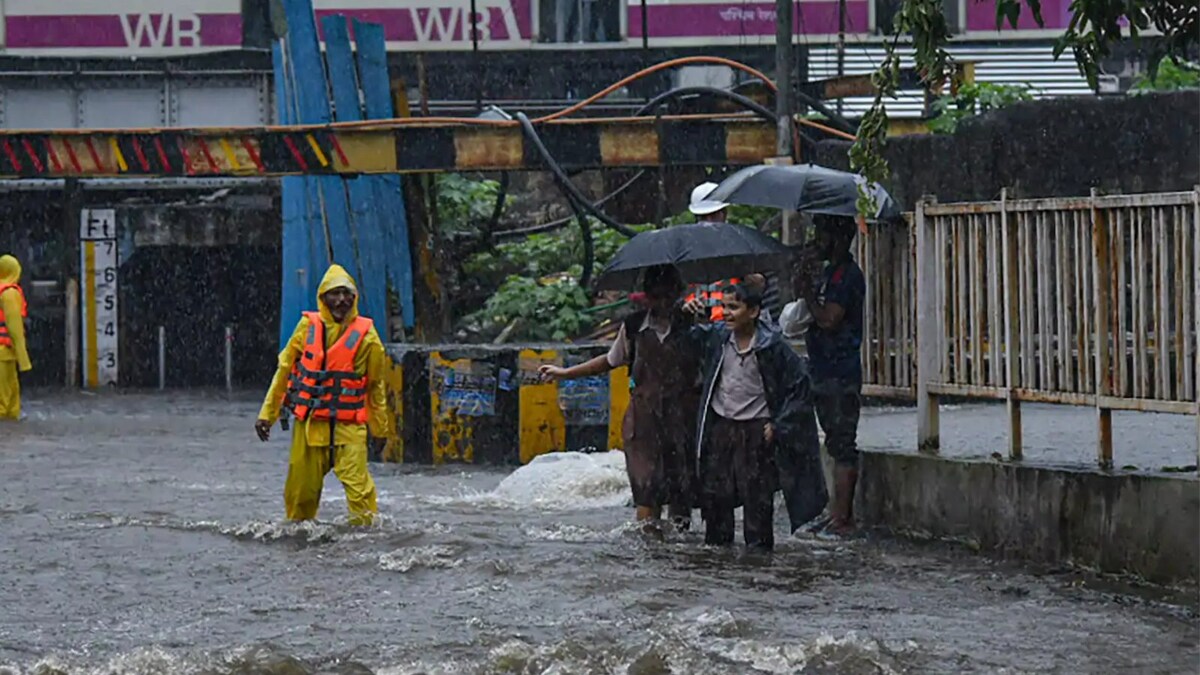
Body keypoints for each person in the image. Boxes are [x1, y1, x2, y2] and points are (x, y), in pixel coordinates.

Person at [539, 264, 700, 533]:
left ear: (677, 294)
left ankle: (679, 548)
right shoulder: (634, 326)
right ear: (647, 296)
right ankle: (649, 547)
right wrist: (565, 373)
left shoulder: (692, 326)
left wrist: (698, 320)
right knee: (646, 486)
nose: (662, 303)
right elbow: (610, 361)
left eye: (668, 296)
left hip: (682, 418)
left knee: (680, 486)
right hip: (644, 419)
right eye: (656, 297)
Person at [686, 277, 826, 550]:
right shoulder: (717, 338)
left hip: (756, 431)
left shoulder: (773, 346)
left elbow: (800, 388)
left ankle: (758, 562)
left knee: (757, 501)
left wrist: (779, 425)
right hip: (722, 427)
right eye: (724, 307)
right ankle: (718, 558)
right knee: (717, 497)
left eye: (734, 307)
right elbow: (687, 343)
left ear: (753, 311)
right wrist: (689, 316)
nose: (727, 313)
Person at [254, 264, 388, 526]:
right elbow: (283, 372)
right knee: (300, 496)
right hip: (309, 426)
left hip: (349, 429)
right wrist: (266, 416)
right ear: (323, 297)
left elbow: (376, 388)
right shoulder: (307, 327)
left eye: (346, 294)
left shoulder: (368, 337)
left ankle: (365, 542)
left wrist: (380, 430)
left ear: (354, 298)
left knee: (361, 494)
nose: (341, 300)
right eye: (334, 294)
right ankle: (299, 544)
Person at [791, 215, 866, 536]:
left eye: (821, 233)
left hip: (840, 371)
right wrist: (803, 280)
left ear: (837, 237)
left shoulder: (848, 276)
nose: (816, 239)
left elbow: (829, 319)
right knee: (829, 443)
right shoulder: (827, 273)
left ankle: (843, 518)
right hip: (821, 367)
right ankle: (833, 512)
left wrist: (809, 294)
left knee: (842, 443)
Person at [0, 255, 31, 421]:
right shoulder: (10, 293)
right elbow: (15, 327)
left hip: (5, 353)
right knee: (6, 398)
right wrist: (23, 357)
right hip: (4, 351)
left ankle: (11, 427)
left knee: (11, 396)